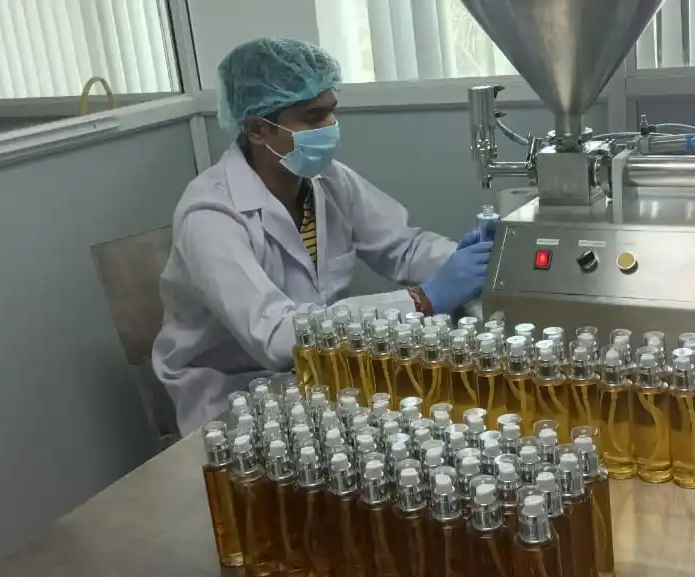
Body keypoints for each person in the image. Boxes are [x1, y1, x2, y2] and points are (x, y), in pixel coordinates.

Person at [153, 38, 494, 433]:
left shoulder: (327, 180)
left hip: (320, 375)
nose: (330, 127)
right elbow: (276, 335)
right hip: (232, 398)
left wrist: (472, 262)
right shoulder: (210, 216)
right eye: (313, 117)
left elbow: (403, 247)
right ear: (257, 128)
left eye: (332, 111)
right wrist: (421, 300)